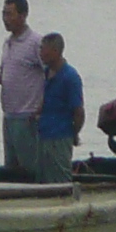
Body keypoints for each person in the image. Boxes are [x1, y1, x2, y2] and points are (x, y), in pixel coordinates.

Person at [0, 0, 45, 181]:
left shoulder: (35, 42)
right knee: (10, 166)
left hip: (27, 116)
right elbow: (7, 72)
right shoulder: (8, 43)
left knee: (29, 167)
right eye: (3, 14)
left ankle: (37, 196)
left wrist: (42, 107)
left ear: (23, 15)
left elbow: (50, 74)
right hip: (9, 115)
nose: (5, 19)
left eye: (10, 14)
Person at [35, 32, 85, 184]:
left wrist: (73, 133)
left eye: (43, 50)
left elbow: (79, 112)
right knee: (42, 177)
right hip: (43, 134)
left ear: (55, 52)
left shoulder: (70, 77)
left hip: (60, 135)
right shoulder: (46, 72)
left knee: (60, 178)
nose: (40, 54)